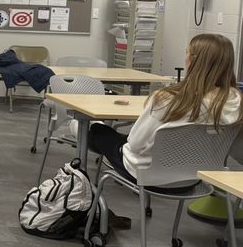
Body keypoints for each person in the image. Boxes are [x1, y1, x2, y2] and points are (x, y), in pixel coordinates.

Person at [88, 33, 243, 184]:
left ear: (192, 60)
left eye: (187, 53)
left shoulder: (167, 99)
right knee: (118, 137)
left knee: (97, 131)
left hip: (148, 175)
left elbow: (135, 143)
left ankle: (78, 186)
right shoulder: (236, 102)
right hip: (197, 177)